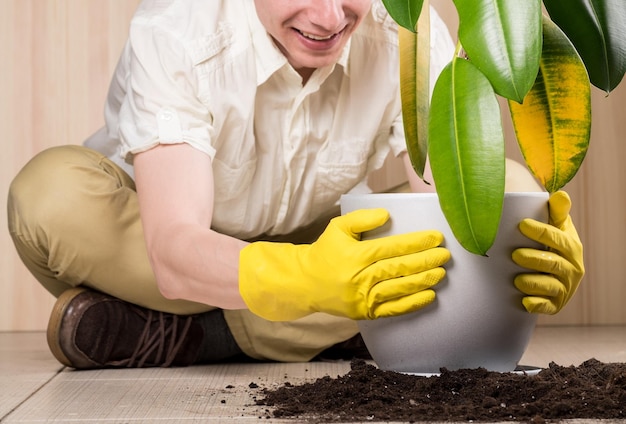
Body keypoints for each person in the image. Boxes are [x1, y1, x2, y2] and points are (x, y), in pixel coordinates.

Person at [7, 0, 584, 369]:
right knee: (49, 197)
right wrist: (308, 280)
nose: (331, 19)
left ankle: (195, 340)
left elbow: (451, 192)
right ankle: (326, 330)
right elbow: (175, 253)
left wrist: (530, 223)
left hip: (317, 241)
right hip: (158, 250)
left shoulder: (403, 30)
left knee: (475, 216)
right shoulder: (175, 31)